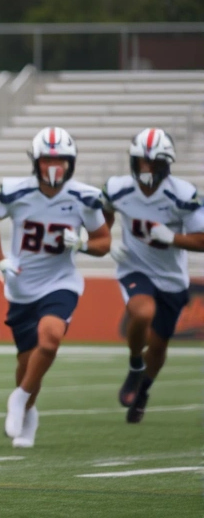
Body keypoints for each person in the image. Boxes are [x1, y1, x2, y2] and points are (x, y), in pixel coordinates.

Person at [0, 127, 110, 447]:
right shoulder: (15, 191)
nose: (53, 167)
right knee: (26, 361)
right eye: (47, 159)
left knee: (50, 340)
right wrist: (0, 259)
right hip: (22, 285)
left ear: (71, 163)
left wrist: (81, 243)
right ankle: (30, 411)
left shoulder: (85, 197)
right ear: (35, 162)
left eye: (60, 160)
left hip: (60, 282)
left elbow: (103, 242)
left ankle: (19, 398)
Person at [102, 128, 204, 423]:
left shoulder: (182, 194)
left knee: (159, 346)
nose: (146, 169)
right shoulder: (118, 187)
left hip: (171, 278)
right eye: (141, 162)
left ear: (166, 165)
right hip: (135, 267)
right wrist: (106, 240)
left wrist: (172, 237)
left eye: (154, 163)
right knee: (142, 312)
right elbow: (102, 215)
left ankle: (143, 390)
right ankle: (135, 364)